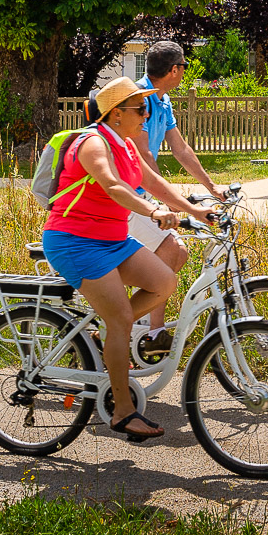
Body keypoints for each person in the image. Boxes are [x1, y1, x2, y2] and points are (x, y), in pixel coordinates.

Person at [41, 76, 181, 442]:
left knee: (164, 281)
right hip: (75, 242)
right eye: (140, 108)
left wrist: (197, 210)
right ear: (117, 114)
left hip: (112, 239)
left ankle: (107, 331)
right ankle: (122, 412)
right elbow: (114, 186)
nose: (146, 114)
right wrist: (153, 213)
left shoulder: (127, 145)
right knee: (120, 319)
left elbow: (155, 185)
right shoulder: (92, 143)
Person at [126, 40, 228, 356]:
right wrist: (170, 199)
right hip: (128, 197)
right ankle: (139, 328)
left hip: (144, 195)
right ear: (174, 70)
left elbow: (180, 149)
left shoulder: (164, 101)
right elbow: (143, 156)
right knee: (172, 249)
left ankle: (149, 330)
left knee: (176, 255)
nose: (184, 72)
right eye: (183, 66)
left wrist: (212, 187)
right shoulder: (139, 100)